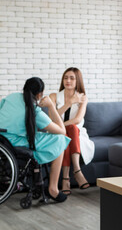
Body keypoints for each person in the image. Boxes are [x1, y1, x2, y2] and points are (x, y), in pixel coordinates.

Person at [0, 77, 70, 202]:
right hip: (16, 143)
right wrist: (51, 106)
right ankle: (53, 189)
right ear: (40, 94)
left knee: (44, 138)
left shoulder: (11, 97)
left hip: (3, 140)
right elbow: (62, 131)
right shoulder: (35, 110)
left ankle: (39, 180)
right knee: (60, 140)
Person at [49, 67, 94, 195]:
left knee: (72, 129)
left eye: (72, 78)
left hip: (76, 132)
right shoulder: (53, 96)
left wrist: (60, 125)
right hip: (58, 132)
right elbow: (52, 117)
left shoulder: (83, 97)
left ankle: (66, 178)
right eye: (65, 78)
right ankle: (77, 172)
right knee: (64, 134)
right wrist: (69, 103)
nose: (68, 80)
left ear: (77, 80)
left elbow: (78, 119)